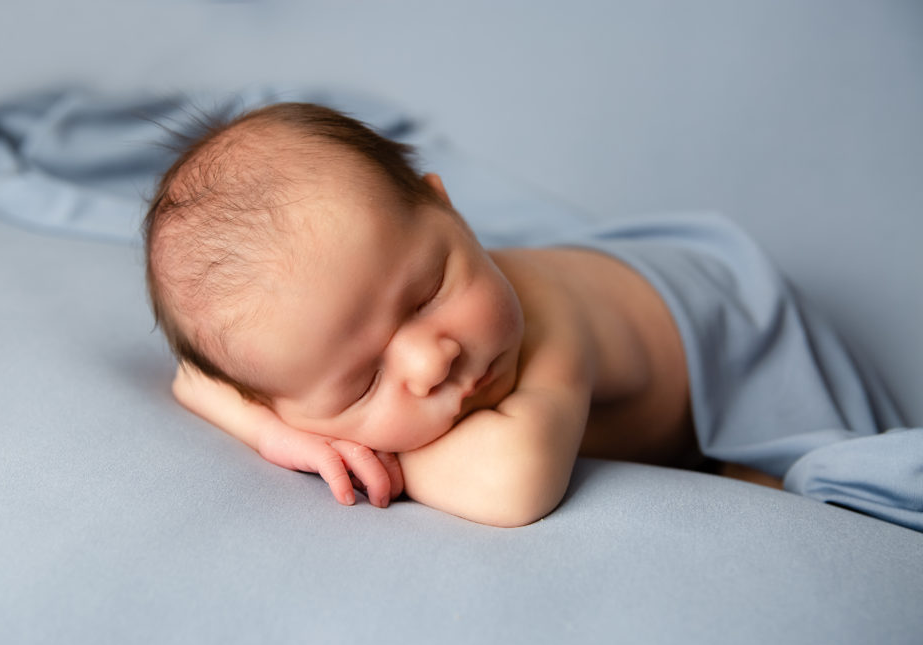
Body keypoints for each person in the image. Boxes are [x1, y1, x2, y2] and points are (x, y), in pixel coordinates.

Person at [143, 102, 880, 528]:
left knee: (796, 493)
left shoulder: (551, 326)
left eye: (428, 289)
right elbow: (193, 375)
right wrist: (270, 424)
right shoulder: (333, 352)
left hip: (732, 334)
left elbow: (514, 483)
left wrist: (298, 430)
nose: (432, 359)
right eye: (365, 381)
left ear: (449, 207)